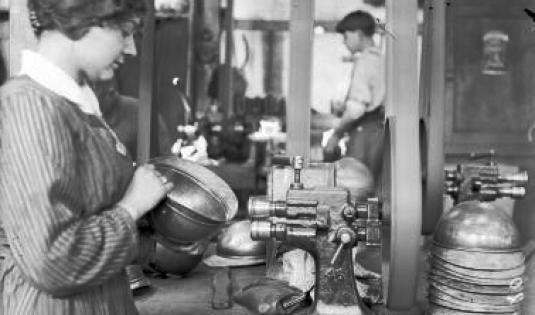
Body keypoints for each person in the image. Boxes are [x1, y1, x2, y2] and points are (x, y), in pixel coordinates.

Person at [0, 0, 174, 314]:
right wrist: (132, 206)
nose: (129, 48)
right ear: (84, 22)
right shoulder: (30, 106)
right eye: (124, 32)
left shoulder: (74, 103)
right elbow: (51, 261)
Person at [324, 10, 385, 188]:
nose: (344, 41)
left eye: (346, 36)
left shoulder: (365, 61)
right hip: (379, 132)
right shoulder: (380, 59)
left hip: (364, 133)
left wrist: (336, 134)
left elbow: (357, 109)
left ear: (359, 34)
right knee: (372, 190)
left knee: (356, 188)